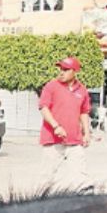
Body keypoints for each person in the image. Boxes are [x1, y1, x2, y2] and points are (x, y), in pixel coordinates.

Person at [38, 56, 91, 186]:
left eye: (66, 70)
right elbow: (44, 108)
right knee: (46, 178)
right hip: (53, 140)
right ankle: (42, 197)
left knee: (81, 178)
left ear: (75, 71)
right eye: (61, 69)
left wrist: (86, 133)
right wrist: (56, 126)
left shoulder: (82, 90)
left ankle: (81, 197)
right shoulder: (51, 86)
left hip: (74, 140)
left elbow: (84, 112)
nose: (61, 72)